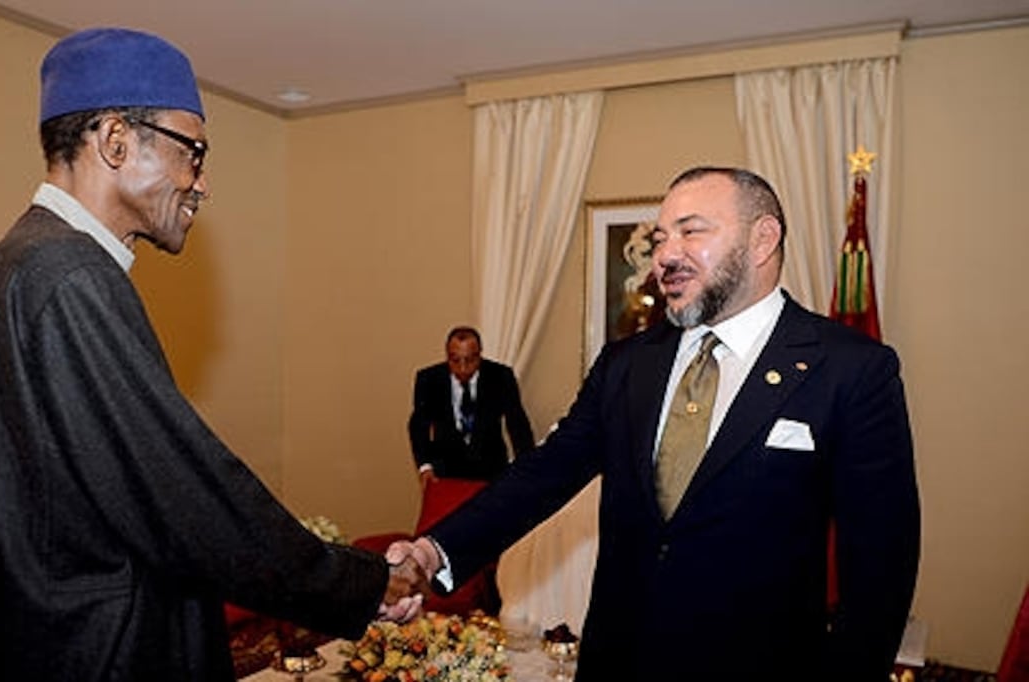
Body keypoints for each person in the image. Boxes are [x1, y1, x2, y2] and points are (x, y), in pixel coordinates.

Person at [0, 28, 425, 682]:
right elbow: (183, 492)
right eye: (192, 151)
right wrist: (358, 583)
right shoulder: (69, 275)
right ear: (115, 141)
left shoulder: (23, 263)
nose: (201, 182)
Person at [390, 167, 920, 681]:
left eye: (691, 231)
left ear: (763, 240)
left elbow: (881, 563)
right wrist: (434, 551)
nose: (665, 254)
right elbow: (543, 473)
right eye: (663, 237)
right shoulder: (627, 364)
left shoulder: (850, 368)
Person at [408, 326, 536, 484]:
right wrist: (425, 466)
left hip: (491, 472)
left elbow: (517, 423)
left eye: (469, 360)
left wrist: (525, 465)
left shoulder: (500, 377)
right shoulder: (429, 380)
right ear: (447, 356)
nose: (462, 368)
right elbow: (418, 426)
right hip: (445, 473)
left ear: (479, 354)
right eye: (455, 360)